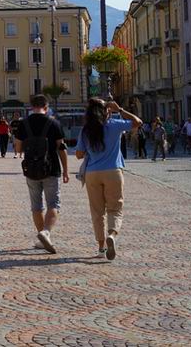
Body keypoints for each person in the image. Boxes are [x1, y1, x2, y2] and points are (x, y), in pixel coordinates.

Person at [76, 99, 142, 261]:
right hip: (113, 171)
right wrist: (120, 109)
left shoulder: (86, 130)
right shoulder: (114, 124)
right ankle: (111, 235)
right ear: (107, 111)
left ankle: (101, 247)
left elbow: (78, 154)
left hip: (92, 173)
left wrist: (91, 152)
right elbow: (138, 122)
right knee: (115, 208)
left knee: (97, 211)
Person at [14, 95, 68, 254]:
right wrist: (65, 170)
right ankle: (46, 232)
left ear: (31, 106)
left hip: (31, 170)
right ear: (46, 106)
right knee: (53, 204)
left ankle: (41, 239)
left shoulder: (24, 124)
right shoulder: (54, 123)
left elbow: (18, 149)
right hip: (52, 169)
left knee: (36, 206)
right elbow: (62, 148)